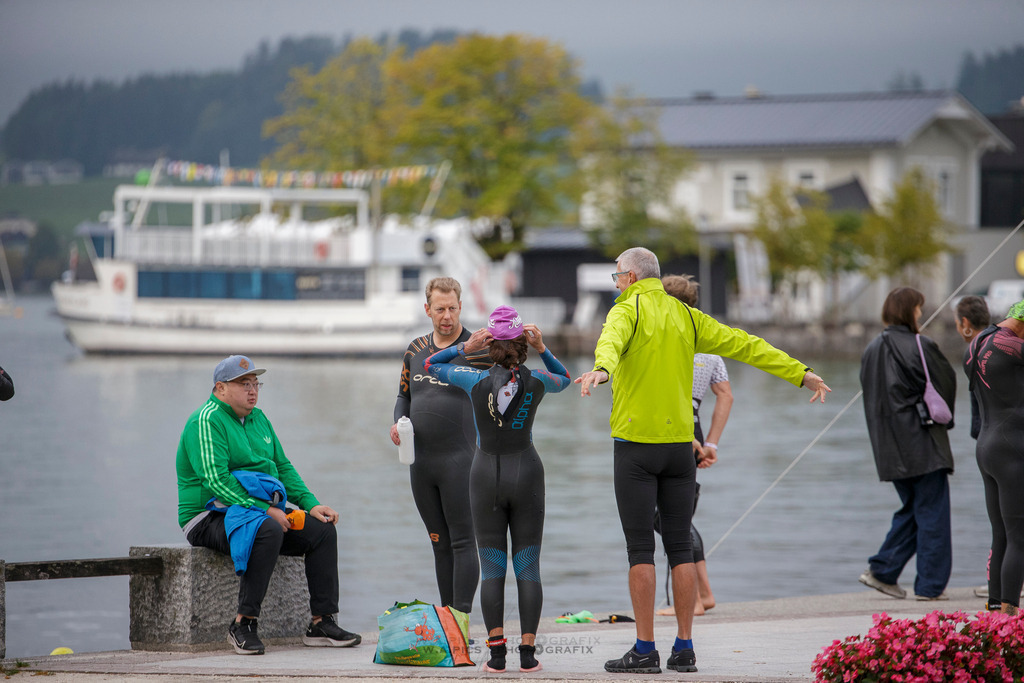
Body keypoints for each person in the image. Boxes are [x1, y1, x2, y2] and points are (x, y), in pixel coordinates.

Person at [575, 248, 830, 675]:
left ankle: (644, 650)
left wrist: (601, 370)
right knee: (679, 549)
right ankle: (685, 648)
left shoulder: (626, 310)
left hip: (636, 449)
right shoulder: (687, 317)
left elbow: (611, 344)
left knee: (640, 550)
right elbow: (745, 344)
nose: (617, 283)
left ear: (633, 277)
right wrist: (798, 372)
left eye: (618, 276)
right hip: (680, 449)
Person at [177, 354, 361, 655]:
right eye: (243, 384)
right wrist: (266, 510)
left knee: (323, 531)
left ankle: (321, 622)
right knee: (266, 529)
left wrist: (310, 504)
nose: (252, 391)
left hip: (256, 509)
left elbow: (282, 467)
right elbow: (216, 481)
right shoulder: (206, 420)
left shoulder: (259, 418)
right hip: (207, 515)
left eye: (255, 384)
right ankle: (243, 624)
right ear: (220, 388)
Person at [425, 305, 571, 673]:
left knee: (493, 569)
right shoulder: (538, 379)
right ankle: (527, 655)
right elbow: (565, 377)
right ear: (523, 340)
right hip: (528, 477)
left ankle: (496, 655)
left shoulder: (471, 379)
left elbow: (430, 365)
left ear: (489, 342)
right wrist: (542, 347)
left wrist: (465, 346)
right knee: (528, 566)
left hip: (484, 477)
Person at [390, 277, 491, 617]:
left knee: (464, 543)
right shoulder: (415, 350)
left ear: (460, 307)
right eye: (439, 309)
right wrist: (397, 423)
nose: (446, 316)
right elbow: (404, 396)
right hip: (422, 463)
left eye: (452, 308)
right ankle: (447, 620)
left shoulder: (478, 348)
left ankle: (460, 622)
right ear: (427, 309)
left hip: (462, 460)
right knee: (439, 543)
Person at [858, 286, 956, 602]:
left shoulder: (871, 349)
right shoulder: (921, 344)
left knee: (914, 510)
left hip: (888, 448)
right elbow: (945, 386)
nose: (921, 314)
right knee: (933, 514)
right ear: (909, 310)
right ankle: (929, 586)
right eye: (918, 308)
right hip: (922, 442)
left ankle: (882, 571)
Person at [656, 274, 733, 617]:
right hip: (696, 426)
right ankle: (703, 594)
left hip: (670, 427)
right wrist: (711, 442)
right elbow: (726, 395)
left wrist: (687, 436)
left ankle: (697, 599)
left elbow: (666, 393)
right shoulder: (709, 347)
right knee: (677, 516)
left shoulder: (668, 340)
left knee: (672, 519)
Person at [964, 299, 1024, 615]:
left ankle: (995, 614)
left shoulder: (977, 343)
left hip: (987, 447)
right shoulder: (1013, 347)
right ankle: (1011, 620)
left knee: (1000, 534)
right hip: (1014, 447)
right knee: (1019, 537)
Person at [953, 295, 991, 439]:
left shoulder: (975, 353)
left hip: (991, 438)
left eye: (957, 323)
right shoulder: (998, 344)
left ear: (964, 322)